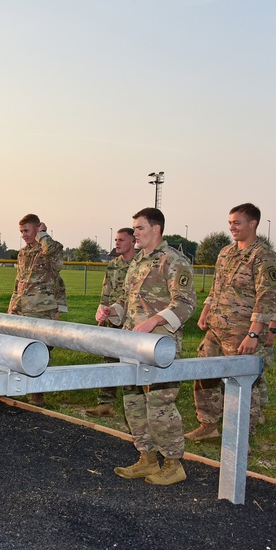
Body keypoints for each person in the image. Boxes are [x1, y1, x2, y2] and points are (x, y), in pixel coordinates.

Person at [102, 207, 196, 486]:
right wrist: (113, 311)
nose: (135, 234)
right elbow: (131, 303)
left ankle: (173, 463)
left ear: (156, 229)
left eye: (139, 228)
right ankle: (147, 458)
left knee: (159, 405)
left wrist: (153, 322)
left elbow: (185, 304)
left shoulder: (174, 261)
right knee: (133, 402)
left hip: (159, 346)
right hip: (133, 344)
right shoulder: (138, 261)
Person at [187, 203, 276, 441]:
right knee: (204, 374)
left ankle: (242, 437)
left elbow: (268, 297)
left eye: (237, 223)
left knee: (243, 384)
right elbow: (217, 286)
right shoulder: (225, 252)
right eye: (230, 223)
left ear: (253, 224)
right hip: (217, 328)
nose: (232, 227)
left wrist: (254, 335)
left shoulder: (263, 256)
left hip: (242, 330)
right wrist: (206, 311)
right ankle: (208, 425)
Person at [8, 213, 64, 407]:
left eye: (27, 230)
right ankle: (17, 387)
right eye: (21, 231)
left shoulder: (49, 248)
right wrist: (12, 307)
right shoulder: (23, 253)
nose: (23, 235)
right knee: (18, 350)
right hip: (22, 309)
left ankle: (37, 393)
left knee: (40, 351)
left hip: (42, 309)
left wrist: (43, 235)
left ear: (37, 228)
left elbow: (58, 272)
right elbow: (19, 282)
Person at [87, 227, 136, 416]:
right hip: (112, 317)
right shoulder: (113, 265)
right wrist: (102, 311)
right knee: (109, 359)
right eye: (116, 240)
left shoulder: (139, 265)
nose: (117, 243)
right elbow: (106, 291)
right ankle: (105, 403)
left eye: (121, 240)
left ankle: (132, 404)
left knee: (131, 360)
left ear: (133, 241)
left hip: (132, 318)